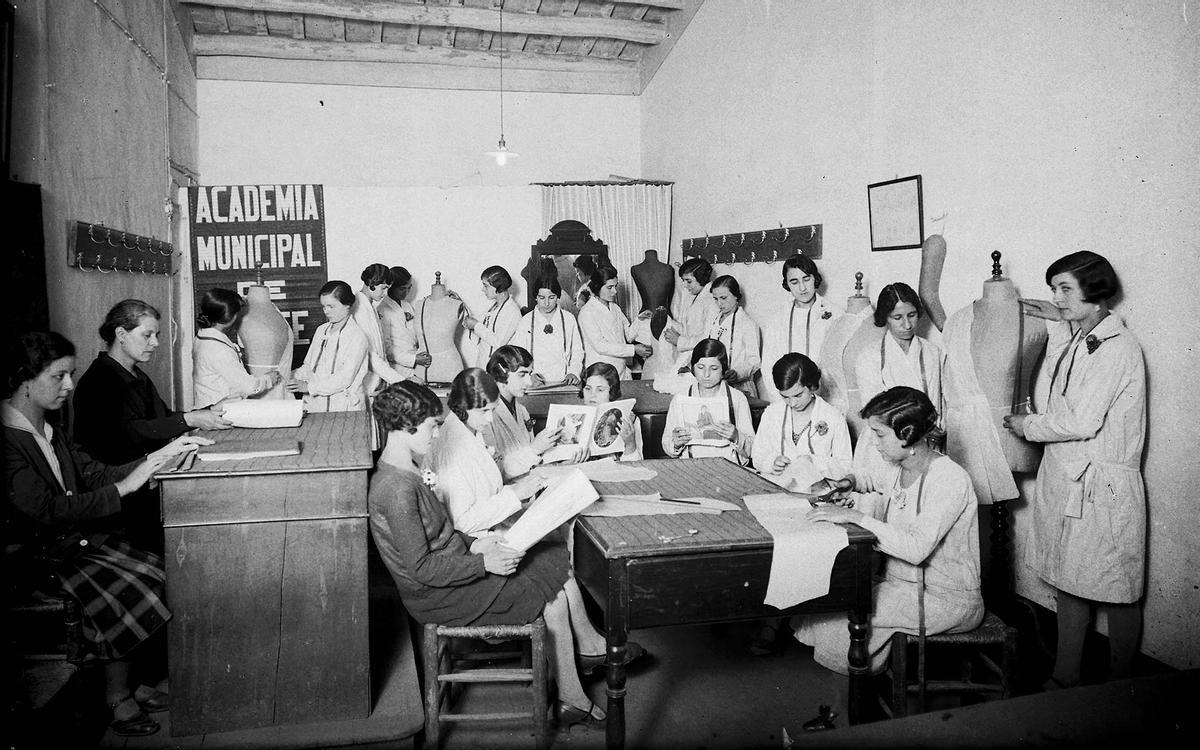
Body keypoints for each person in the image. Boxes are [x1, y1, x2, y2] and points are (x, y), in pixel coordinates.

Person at [4, 332, 212, 736]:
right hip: (33, 560)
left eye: (71, 375)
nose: (69, 386)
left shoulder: (49, 429)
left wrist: (158, 458)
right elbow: (46, 511)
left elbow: (94, 473)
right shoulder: (10, 439)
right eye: (59, 376)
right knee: (134, 585)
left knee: (158, 572)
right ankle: (117, 698)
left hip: (69, 546)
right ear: (24, 380)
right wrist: (126, 485)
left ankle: (131, 685)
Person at [366, 380, 605, 724]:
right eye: (433, 426)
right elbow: (420, 568)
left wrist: (473, 543)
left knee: (548, 560)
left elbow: (440, 533)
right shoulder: (396, 488)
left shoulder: (406, 470)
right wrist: (483, 563)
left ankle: (570, 685)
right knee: (552, 598)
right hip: (438, 594)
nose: (436, 435)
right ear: (407, 425)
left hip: (455, 565)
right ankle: (572, 697)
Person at [429, 368, 647, 678]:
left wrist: (532, 462)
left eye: (492, 410)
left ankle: (589, 645)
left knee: (558, 554)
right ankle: (586, 652)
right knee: (556, 561)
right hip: (478, 545)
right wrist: (516, 495)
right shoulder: (455, 446)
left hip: (489, 532)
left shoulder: (467, 430)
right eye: (486, 411)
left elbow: (496, 470)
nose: (490, 419)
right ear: (465, 406)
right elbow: (463, 520)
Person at [1003, 251, 1145, 689]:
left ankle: (1124, 684)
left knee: (1117, 588)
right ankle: (1066, 674)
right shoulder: (1085, 338)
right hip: (1072, 480)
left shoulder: (1116, 348)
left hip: (1103, 486)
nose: (1057, 297)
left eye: (1065, 288)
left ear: (1095, 289)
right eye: (1053, 289)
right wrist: (1059, 318)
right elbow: (1061, 379)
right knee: (1071, 579)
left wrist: (1026, 425)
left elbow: (1080, 420)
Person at [794, 386, 983, 675]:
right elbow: (870, 477)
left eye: (880, 435)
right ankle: (851, 700)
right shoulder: (900, 464)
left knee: (839, 615)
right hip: (903, 586)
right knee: (827, 602)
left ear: (907, 434)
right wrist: (847, 482)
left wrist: (855, 516)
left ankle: (850, 709)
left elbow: (915, 549)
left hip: (946, 599)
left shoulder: (949, 478)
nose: (875, 443)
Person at [73, 299, 231, 550]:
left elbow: (161, 417)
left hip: (146, 483)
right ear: (121, 334)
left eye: (156, 335)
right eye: (147, 335)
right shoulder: (100, 381)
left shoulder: (135, 374)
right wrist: (188, 419)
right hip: (124, 496)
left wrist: (202, 413)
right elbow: (131, 433)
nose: (155, 343)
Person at [752, 353, 851, 486]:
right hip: (777, 488)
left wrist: (814, 462)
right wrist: (772, 463)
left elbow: (845, 467)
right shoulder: (772, 413)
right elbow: (758, 455)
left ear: (812, 386)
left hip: (816, 490)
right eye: (785, 397)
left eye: (798, 395)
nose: (792, 403)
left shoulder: (834, 417)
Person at [760, 255, 844, 403]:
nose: (802, 288)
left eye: (806, 279)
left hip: (826, 398)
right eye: (794, 282)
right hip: (790, 400)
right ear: (787, 284)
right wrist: (783, 398)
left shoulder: (836, 315)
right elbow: (768, 364)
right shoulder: (778, 320)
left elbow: (839, 365)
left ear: (815, 278)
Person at [853, 282, 945, 413]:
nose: (907, 325)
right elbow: (873, 411)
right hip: (888, 431)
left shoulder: (934, 352)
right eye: (897, 318)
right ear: (885, 317)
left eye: (912, 315)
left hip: (930, 430)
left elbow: (941, 405)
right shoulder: (869, 357)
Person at [662, 339, 754, 465]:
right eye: (700, 367)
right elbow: (667, 443)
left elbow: (753, 449)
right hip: (692, 466)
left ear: (724, 370)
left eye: (714, 368)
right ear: (692, 368)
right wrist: (675, 443)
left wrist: (736, 436)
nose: (706, 374)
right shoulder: (680, 399)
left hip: (729, 467)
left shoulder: (737, 399)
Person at [481, 345, 567, 479]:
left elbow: (531, 459)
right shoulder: (484, 415)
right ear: (502, 374)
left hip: (529, 484)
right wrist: (535, 449)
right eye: (522, 375)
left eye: (529, 374)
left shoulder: (522, 411)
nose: (529, 382)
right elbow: (494, 473)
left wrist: (564, 458)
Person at [192, 288, 282, 409]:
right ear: (230, 317)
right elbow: (249, 387)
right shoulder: (218, 349)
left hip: (206, 404)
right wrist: (269, 379)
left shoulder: (202, 337)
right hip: (219, 411)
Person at [287, 280, 370, 412]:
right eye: (324, 306)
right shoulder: (321, 330)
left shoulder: (357, 336)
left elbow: (344, 378)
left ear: (347, 305)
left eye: (331, 306)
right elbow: (308, 366)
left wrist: (309, 388)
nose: (326, 311)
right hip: (314, 405)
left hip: (343, 407)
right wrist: (288, 375)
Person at [578, 266, 652, 379]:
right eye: (610, 287)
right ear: (597, 287)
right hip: (601, 373)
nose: (615, 291)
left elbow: (628, 336)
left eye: (615, 286)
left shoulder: (615, 308)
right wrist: (634, 349)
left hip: (621, 370)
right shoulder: (587, 312)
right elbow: (600, 346)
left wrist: (639, 320)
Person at [511, 275, 585, 386]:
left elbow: (577, 351)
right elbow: (518, 355)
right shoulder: (526, 321)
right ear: (535, 297)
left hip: (564, 381)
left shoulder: (569, 319)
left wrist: (573, 372)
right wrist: (528, 375)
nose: (546, 303)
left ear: (558, 296)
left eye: (551, 297)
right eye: (542, 298)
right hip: (535, 382)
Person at [351, 263, 407, 394]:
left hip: (377, 383)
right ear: (372, 283)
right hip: (366, 385)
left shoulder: (370, 307)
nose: (385, 293)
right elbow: (369, 355)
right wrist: (400, 382)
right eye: (383, 288)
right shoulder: (359, 310)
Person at [705, 275, 762, 397]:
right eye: (715, 299)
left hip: (740, 387)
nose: (719, 303)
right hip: (715, 386)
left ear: (736, 296)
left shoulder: (747, 324)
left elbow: (754, 360)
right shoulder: (713, 321)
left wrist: (737, 373)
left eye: (723, 298)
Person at [580, 362, 643, 461]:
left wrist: (630, 444)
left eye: (600, 390)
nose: (592, 395)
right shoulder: (575, 417)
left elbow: (637, 466)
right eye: (588, 388)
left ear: (612, 392)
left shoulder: (629, 419)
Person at [379, 266, 432, 380]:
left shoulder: (407, 306)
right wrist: (413, 359)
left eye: (409, 288)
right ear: (391, 287)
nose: (407, 292)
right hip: (397, 368)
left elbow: (417, 333)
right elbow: (387, 348)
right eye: (402, 289)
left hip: (417, 364)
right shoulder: (383, 309)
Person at [463, 265, 521, 369]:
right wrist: (460, 304)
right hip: (484, 364)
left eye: (486, 286)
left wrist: (476, 325)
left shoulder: (512, 311)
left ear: (498, 286)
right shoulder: (495, 307)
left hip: (499, 368)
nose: (482, 289)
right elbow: (479, 322)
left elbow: (499, 342)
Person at [665, 257, 720, 359]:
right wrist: (667, 320)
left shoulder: (712, 300)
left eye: (688, 281)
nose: (685, 285)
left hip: (703, 357)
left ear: (701, 278)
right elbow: (689, 329)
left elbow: (709, 338)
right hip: (690, 354)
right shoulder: (696, 296)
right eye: (683, 280)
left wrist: (679, 341)